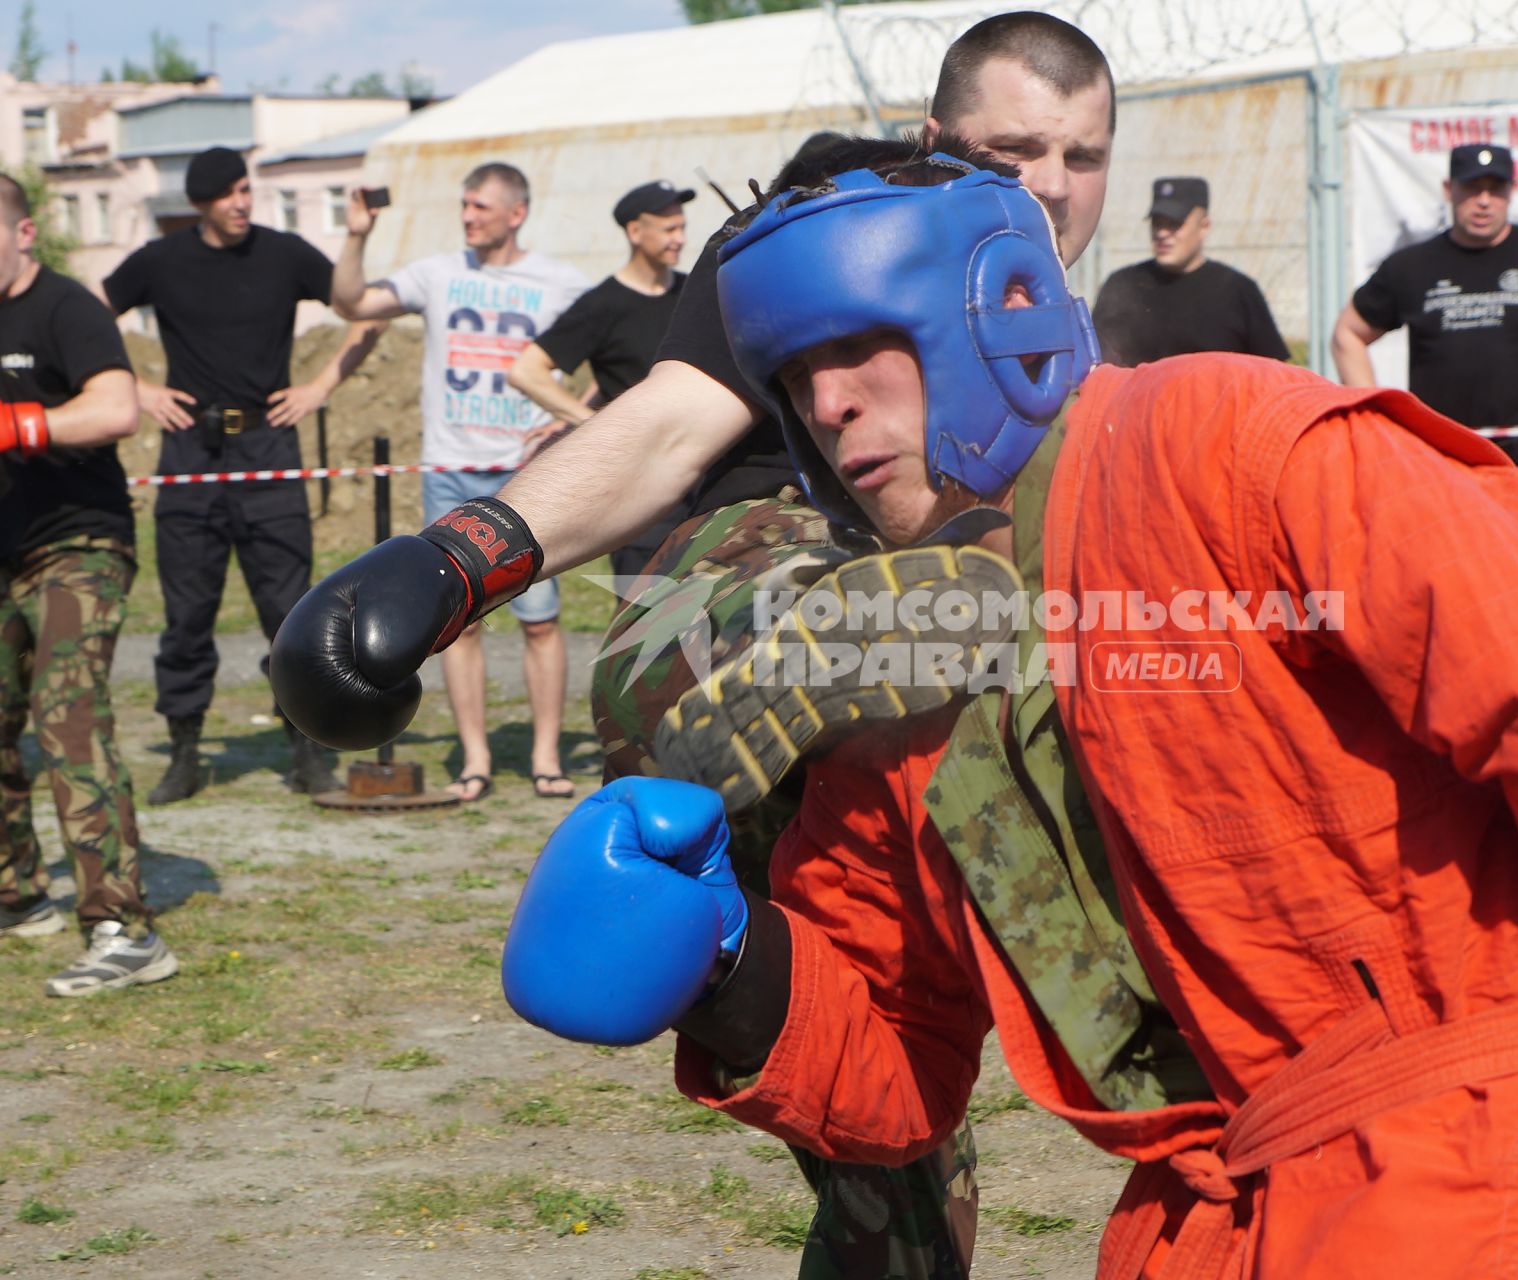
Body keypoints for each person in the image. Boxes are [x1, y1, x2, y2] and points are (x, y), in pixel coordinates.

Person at [497, 148, 1518, 1278]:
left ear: (990, 311)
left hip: (1477, 1175)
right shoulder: (900, 675)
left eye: (857, 346)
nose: (826, 406)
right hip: (1210, 1215)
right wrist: (725, 959)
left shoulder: (1227, 441)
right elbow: (895, 1071)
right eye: (793, 376)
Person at [276, 16, 1117, 1278]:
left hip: (931, 727)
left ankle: (746, 948)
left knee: (902, 1150)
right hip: (753, 583)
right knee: (790, 572)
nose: (1049, 185)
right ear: (936, 140)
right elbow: (667, 433)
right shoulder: (829, 239)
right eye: (1014, 150)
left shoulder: (1064, 320)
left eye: (1082, 154)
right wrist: (463, 556)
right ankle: (831, 636)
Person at [102, 146, 374, 805]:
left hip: (269, 449)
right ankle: (186, 753)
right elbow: (84, 320)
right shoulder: (160, 262)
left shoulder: (283, 253)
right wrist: (139, 390)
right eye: (228, 194)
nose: (242, 202)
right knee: (186, 615)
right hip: (190, 456)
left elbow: (356, 304)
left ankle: (308, 751)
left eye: (246, 189)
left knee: (291, 613)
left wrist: (319, 385)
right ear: (200, 202)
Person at [330, 162, 590, 802]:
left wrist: (571, 417)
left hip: (529, 476)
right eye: (464, 206)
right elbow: (351, 303)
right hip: (450, 470)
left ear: (515, 212)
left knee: (539, 620)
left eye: (479, 206)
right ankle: (474, 759)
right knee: (458, 626)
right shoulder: (438, 273)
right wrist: (357, 235)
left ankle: (546, 757)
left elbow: (619, 350)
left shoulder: (560, 282)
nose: (468, 216)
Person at [0, 172, 179, 995]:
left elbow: (115, 409)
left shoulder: (66, 307)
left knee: (66, 711)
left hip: (78, 542)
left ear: (24, 232)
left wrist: (20, 423)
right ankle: (15, 893)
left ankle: (122, 928)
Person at [1332, 144, 1518, 487]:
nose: (1484, 200)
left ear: (1512, 191)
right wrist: (1374, 418)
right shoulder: (1411, 266)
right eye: (1472, 187)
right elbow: (1348, 335)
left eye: (1496, 189)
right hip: (1438, 455)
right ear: (1449, 190)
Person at [508, 179, 694, 579]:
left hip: (703, 483)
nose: (679, 239)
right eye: (668, 229)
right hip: (643, 494)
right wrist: (593, 424)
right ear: (635, 232)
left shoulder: (694, 291)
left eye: (682, 228)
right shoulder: (603, 304)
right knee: (648, 625)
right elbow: (527, 371)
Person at [1090, 175, 1290, 366]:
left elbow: (1274, 374)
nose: (1162, 234)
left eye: (1174, 224)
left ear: (1204, 226)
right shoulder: (1123, 285)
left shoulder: (1236, 290)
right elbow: (1095, 364)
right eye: (1157, 224)